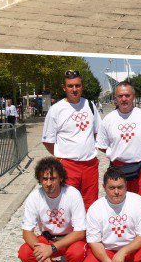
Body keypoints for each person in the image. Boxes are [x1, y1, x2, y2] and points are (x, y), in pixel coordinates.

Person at [80, 167, 141, 262]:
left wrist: (123, 252)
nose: (116, 192)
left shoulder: (138, 202)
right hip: (108, 249)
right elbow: (94, 241)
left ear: (126, 185)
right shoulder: (95, 208)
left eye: (120, 187)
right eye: (111, 188)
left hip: (132, 247)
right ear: (104, 187)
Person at [18, 157, 86, 262]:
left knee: (77, 253)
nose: (48, 183)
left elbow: (80, 232)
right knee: (25, 252)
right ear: (40, 179)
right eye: (44, 179)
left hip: (70, 240)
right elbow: (27, 231)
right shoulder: (34, 197)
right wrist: (41, 252)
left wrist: (52, 249)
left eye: (52, 178)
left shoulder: (72, 194)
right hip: (48, 239)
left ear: (60, 178)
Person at [42, 70, 101, 209]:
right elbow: (47, 140)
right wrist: (62, 155)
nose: (74, 89)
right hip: (68, 166)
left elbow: (98, 132)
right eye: (70, 86)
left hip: (90, 166)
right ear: (64, 87)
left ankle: (87, 231)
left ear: (82, 86)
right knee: (68, 204)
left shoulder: (90, 105)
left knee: (90, 204)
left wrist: (88, 148)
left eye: (77, 85)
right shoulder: (56, 110)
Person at [96, 81, 141, 208]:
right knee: (120, 204)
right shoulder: (108, 119)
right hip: (117, 167)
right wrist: (117, 153)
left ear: (134, 96)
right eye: (120, 96)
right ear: (116, 98)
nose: (124, 99)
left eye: (127, 95)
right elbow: (102, 145)